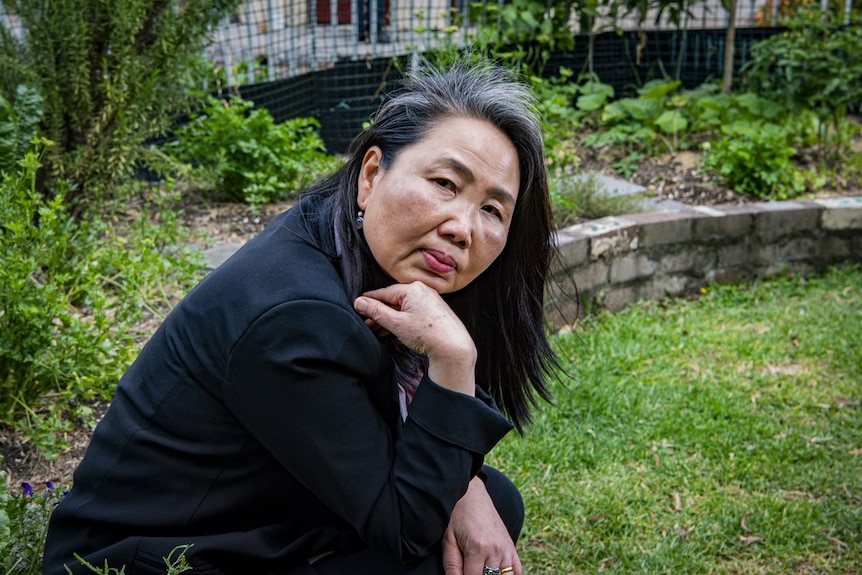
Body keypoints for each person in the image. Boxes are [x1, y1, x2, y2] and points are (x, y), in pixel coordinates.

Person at [43, 60, 560, 575]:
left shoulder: (345, 240)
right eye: (446, 183)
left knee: (495, 502)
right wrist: (453, 360)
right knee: (425, 558)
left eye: (493, 210)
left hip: (256, 511)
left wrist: (465, 487)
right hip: (153, 558)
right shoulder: (295, 315)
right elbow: (406, 529)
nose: (462, 227)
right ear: (372, 175)